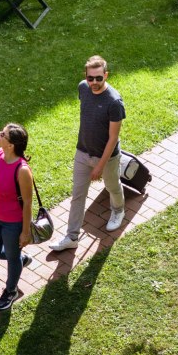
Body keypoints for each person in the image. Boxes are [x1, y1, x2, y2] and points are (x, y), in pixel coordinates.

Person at [50, 55, 126, 251]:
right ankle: (72, 237)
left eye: (98, 78)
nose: (94, 82)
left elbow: (113, 138)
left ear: (106, 76)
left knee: (112, 186)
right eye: (90, 78)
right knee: (78, 195)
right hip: (82, 152)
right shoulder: (83, 88)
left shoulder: (114, 102)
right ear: (86, 76)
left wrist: (100, 166)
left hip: (107, 158)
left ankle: (118, 210)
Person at [0, 123, 34, 310]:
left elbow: (28, 203)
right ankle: (20, 259)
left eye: (3, 134)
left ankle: (11, 290)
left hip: (13, 223)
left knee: (12, 259)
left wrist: (25, 231)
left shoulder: (22, 171)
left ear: (11, 145)